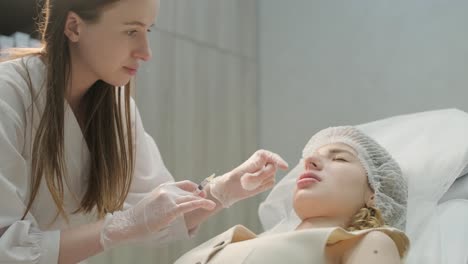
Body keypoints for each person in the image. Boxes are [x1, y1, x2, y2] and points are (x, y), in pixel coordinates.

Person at [0, 0, 289, 263]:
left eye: (147, 30)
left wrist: (226, 188)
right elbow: (6, 249)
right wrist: (120, 227)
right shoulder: (8, 94)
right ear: (74, 26)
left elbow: (159, 217)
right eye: (130, 32)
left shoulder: (117, 110)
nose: (146, 52)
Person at [175, 126, 410, 264]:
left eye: (339, 158)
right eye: (310, 160)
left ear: (374, 194)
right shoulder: (238, 239)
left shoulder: (370, 242)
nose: (311, 161)